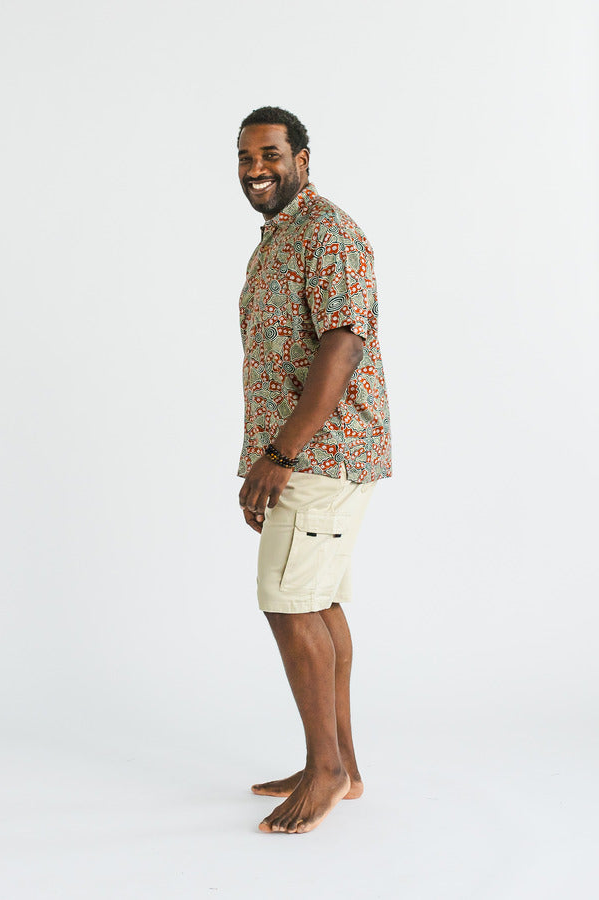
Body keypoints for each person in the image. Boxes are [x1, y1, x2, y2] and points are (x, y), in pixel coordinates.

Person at [236, 106, 392, 834]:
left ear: (302, 156)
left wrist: (281, 455)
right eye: (245, 158)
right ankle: (340, 767)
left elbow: (343, 344)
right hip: (301, 453)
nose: (256, 169)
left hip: (323, 452)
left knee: (289, 601)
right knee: (318, 601)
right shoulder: (278, 239)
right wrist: (262, 460)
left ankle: (326, 772)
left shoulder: (328, 232)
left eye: (269, 154)